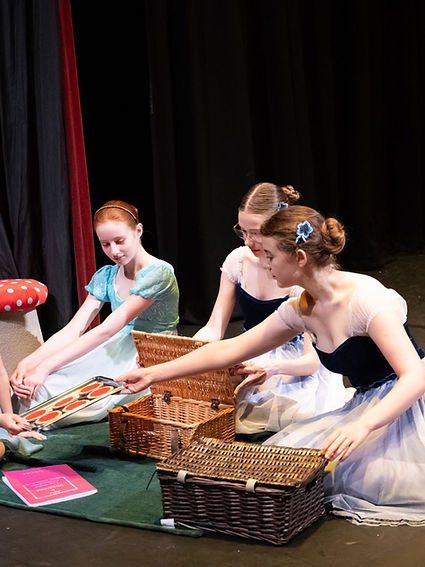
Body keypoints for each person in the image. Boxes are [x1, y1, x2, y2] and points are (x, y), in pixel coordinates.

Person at [116, 204, 425, 526]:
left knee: (371, 481)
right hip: (368, 403)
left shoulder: (366, 299)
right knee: (291, 462)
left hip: (407, 402)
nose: (264, 264)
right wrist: (153, 373)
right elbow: (230, 349)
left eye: (271, 256)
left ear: (300, 259)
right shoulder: (301, 308)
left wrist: (364, 425)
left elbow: (415, 375)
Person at [194, 182, 348, 433]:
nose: (248, 240)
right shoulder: (238, 260)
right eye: (242, 231)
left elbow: (311, 361)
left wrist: (270, 369)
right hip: (252, 351)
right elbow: (214, 327)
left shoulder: (296, 272)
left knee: (298, 418)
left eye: (255, 232)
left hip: (292, 366)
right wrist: (188, 351)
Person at [10, 200, 179, 424]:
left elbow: (106, 330)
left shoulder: (158, 273)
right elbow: (74, 329)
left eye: (120, 241)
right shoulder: (107, 275)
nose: (114, 251)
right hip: (116, 347)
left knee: (52, 399)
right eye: (105, 244)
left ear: (138, 231)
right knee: (37, 387)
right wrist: (30, 362)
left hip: (149, 353)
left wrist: (46, 365)